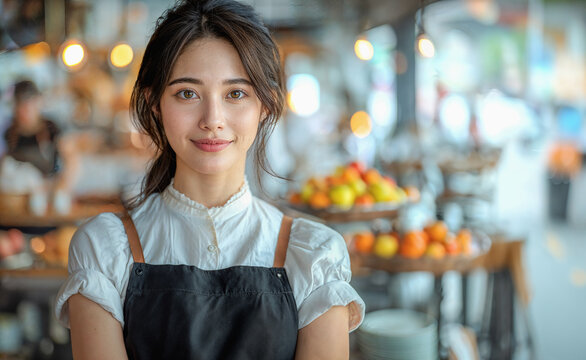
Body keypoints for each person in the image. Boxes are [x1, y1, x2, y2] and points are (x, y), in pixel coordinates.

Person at [55, 0, 365, 359]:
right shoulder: (103, 250)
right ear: (154, 102)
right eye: (187, 93)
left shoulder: (314, 255)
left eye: (236, 93)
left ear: (265, 105)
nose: (212, 119)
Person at [3, 79, 60, 176]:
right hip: (19, 188)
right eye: (21, 106)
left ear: (38, 102)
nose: (25, 111)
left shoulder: (51, 128)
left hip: (49, 186)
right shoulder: (9, 134)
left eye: (29, 105)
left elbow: (63, 165)